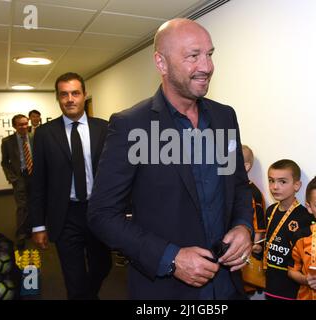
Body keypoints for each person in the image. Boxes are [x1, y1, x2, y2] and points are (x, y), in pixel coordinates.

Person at [88, 18, 253, 299]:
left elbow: (237, 185)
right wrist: (171, 259)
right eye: (193, 56)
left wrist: (243, 226)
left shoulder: (225, 117)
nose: (207, 66)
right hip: (167, 290)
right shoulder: (131, 125)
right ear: (161, 63)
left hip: (228, 285)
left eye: (209, 54)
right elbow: (102, 215)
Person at [30, 72, 112, 300]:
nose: (70, 99)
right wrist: (38, 225)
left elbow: (117, 174)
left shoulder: (104, 128)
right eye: (64, 94)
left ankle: (87, 295)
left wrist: (124, 208)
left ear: (84, 95)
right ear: (58, 98)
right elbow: (38, 182)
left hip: (98, 212)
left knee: (103, 265)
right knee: (73, 278)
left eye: (75, 93)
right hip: (65, 215)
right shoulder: (45, 134)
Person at [263, 159, 314, 300]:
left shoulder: (305, 217)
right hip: (270, 282)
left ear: (297, 185)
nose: (275, 187)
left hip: (292, 286)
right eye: (271, 181)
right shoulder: (270, 211)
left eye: (282, 182)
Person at [1, 114, 33, 249]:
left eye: (26, 123)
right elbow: (4, 162)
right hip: (19, 177)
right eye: (21, 124)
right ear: (14, 126)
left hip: (35, 176)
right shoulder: (7, 141)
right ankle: (20, 235)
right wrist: (12, 178)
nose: (24, 126)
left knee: (34, 204)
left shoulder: (34, 137)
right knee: (22, 206)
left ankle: (31, 229)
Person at [241, 145, 266, 294]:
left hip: (246, 250)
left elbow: (259, 224)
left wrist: (255, 244)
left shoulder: (254, 193)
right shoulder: (226, 188)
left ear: (245, 166)